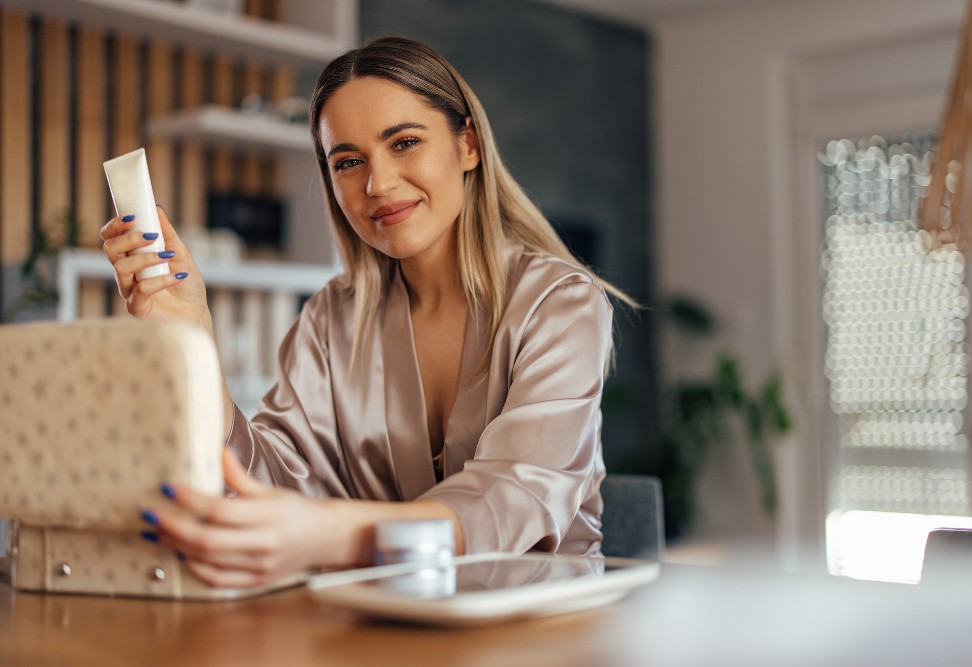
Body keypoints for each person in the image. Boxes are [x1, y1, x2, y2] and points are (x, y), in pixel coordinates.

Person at [99, 36, 633, 588]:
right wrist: (190, 334)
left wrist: (333, 533)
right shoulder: (333, 319)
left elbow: (513, 498)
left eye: (403, 143)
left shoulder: (560, 303)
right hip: (381, 623)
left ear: (468, 144)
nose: (377, 184)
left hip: (543, 628)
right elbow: (265, 485)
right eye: (349, 161)